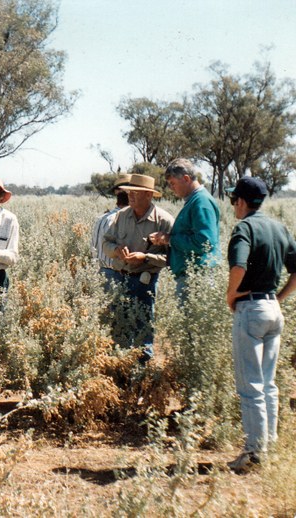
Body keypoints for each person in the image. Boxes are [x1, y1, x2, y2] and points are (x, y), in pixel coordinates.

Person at [224, 176, 296, 473]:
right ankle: (268, 445)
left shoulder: (244, 228)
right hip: (272, 309)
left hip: (250, 309)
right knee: (267, 383)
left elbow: (239, 265)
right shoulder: (280, 227)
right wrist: (279, 297)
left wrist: (231, 295)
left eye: (233, 201)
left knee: (250, 385)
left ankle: (254, 453)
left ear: (241, 202)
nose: (233, 207)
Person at [103, 174, 174, 361]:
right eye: (130, 192)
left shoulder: (164, 221)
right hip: (120, 278)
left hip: (145, 283)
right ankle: (120, 366)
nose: (131, 196)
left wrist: (146, 257)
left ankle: (141, 372)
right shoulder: (121, 216)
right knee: (118, 325)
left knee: (143, 328)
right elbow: (106, 242)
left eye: (137, 192)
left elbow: (173, 257)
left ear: (149, 196)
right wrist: (117, 251)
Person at [150, 158, 220, 300]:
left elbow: (204, 242)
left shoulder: (201, 202)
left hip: (197, 279)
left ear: (186, 179)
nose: (171, 188)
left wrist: (170, 239)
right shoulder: (194, 201)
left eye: (173, 183)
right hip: (191, 277)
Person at [91, 174, 131, 285]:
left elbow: (93, 248)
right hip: (115, 274)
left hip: (98, 271)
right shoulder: (121, 220)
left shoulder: (101, 218)